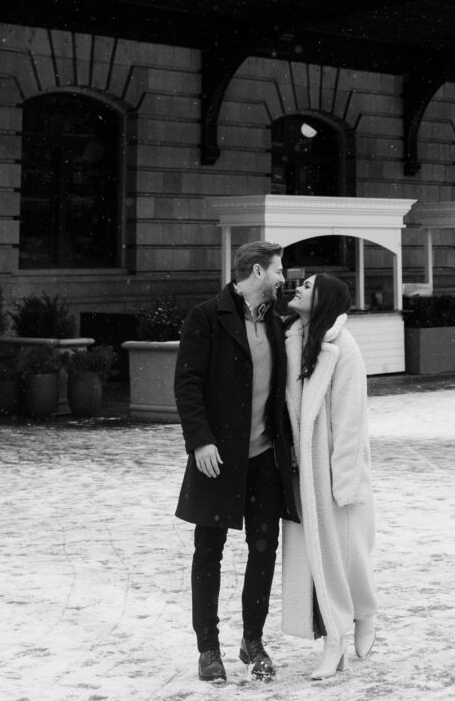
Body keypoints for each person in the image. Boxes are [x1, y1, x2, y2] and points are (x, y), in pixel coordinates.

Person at [173, 241, 300, 683]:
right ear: (257, 272)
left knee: (264, 550)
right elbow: (187, 383)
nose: (284, 278)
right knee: (209, 551)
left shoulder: (278, 323)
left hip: (265, 459)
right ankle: (208, 647)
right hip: (218, 458)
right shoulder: (207, 316)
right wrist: (200, 442)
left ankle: (253, 641)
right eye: (279, 271)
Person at [281, 273, 377, 680]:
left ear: (324, 299)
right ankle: (343, 628)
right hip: (302, 468)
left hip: (332, 469)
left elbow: (351, 420)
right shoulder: (291, 339)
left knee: (342, 557)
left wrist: (346, 482)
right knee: (320, 559)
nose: (298, 287)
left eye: (308, 285)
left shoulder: (344, 348)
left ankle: (348, 627)